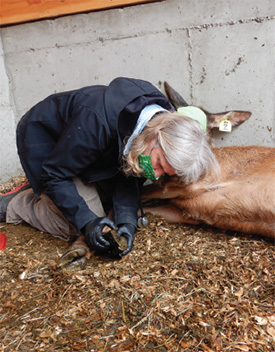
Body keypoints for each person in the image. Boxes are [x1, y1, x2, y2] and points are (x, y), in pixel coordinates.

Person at [0, 77, 218, 259]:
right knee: (74, 225)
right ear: (155, 137)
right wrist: (86, 223)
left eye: (165, 172)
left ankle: (64, 190)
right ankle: (16, 203)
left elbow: (129, 177)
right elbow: (55, 174)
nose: (156, 174)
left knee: (104, 212)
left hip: (91, 152)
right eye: (159, 163)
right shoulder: (96, 123)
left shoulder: (161, 123)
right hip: (47, 142)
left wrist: (127, 221)